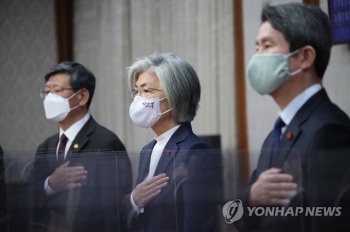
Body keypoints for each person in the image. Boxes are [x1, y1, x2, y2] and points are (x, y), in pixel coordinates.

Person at [234, 3, 350, 232]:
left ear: (305, 57)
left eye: (267, 46)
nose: (257, 57)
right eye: (257, 47)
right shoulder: (274, 136)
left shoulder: (329, 131)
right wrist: (251, 198)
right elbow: (238, 218)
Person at [21, 62, 132, 232]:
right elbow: (25, 200)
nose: (50, 98)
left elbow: (112, 213)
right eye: (47, 92)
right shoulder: (47, 146)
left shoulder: (105, 143)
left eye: (57, 91)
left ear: (82, 97)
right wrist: (50, 184)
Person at [122, 53, 222, 232]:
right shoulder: (148, 149)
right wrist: (133, 201)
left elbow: (197, 223)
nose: (138, 99)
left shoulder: (195, 152)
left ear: (175, 96)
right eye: (136, 91)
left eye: (147, 91)